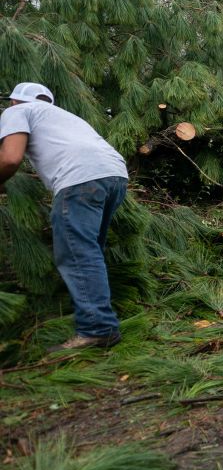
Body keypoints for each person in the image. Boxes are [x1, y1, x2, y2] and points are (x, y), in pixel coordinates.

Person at [0, 83, 130, 351]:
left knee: (77, 254)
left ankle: (97, 329)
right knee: (88, 251)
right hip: (115, 175)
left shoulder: (16, 112)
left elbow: (10, 159)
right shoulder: (64, 117)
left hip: (80, 178)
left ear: (14, 101)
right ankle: (99, 322)